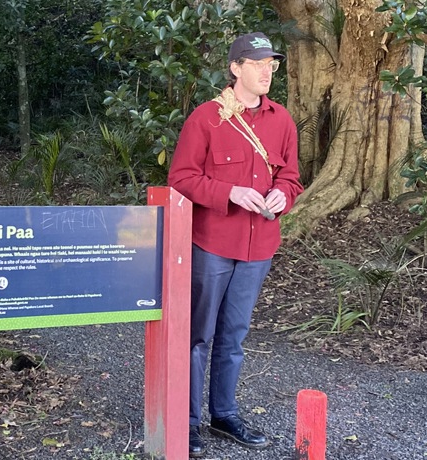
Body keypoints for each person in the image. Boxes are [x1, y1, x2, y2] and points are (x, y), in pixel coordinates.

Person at [167, 32, 303, 456]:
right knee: (198, 336)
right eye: (257, 63)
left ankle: (223, 415)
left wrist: (283, 195)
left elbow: (291, 176)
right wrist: (229, 192)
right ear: (235, 68)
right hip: (212, 243)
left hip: (259, 247)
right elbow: (181, 178)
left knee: (234, 337)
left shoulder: (281, 120)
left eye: (271, 64)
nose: (266, 71)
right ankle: (187, 421)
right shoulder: (206, 118)